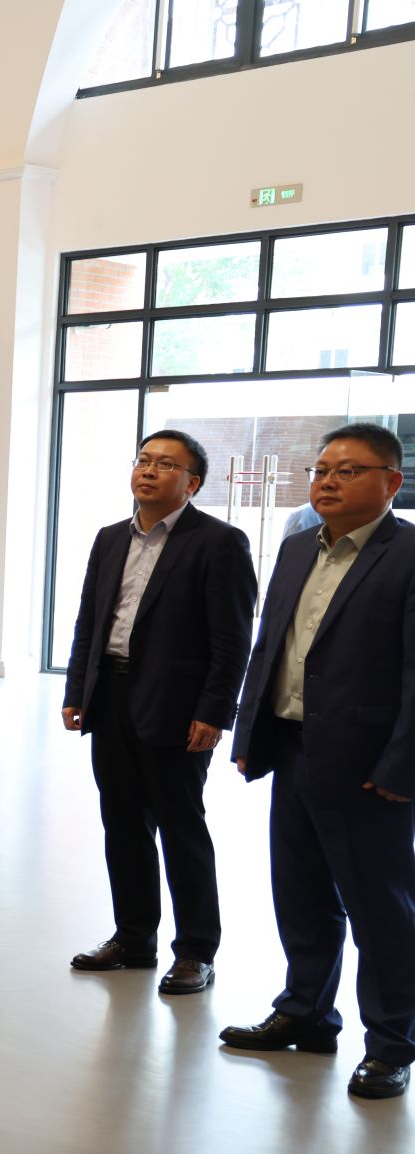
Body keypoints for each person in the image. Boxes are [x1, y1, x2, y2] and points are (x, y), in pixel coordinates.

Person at [224, 423, 415, 1101]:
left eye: (348, 471)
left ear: (391, 482)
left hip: (369, 768)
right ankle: (306, 1012)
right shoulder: (298, 546)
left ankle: (391, 1044)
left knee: (380, 908)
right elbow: (270, 644)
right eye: (322, 470)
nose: (328, 481)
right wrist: (250, 731)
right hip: (293, 747)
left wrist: (403, 767)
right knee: (300, 893)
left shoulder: (407, 554)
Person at [61, 430, 255, 995]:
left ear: (192, 483)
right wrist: (77, 689)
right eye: (143, 460)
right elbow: (90, 620)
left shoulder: (219, 542)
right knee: (122, 824)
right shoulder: (109, 538)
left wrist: (214, 711)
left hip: (177, 707)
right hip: (110, 697)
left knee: (180, 826)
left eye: (166, 464)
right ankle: (133, 937)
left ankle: (196, 951)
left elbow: (232, 639)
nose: (148, 470)